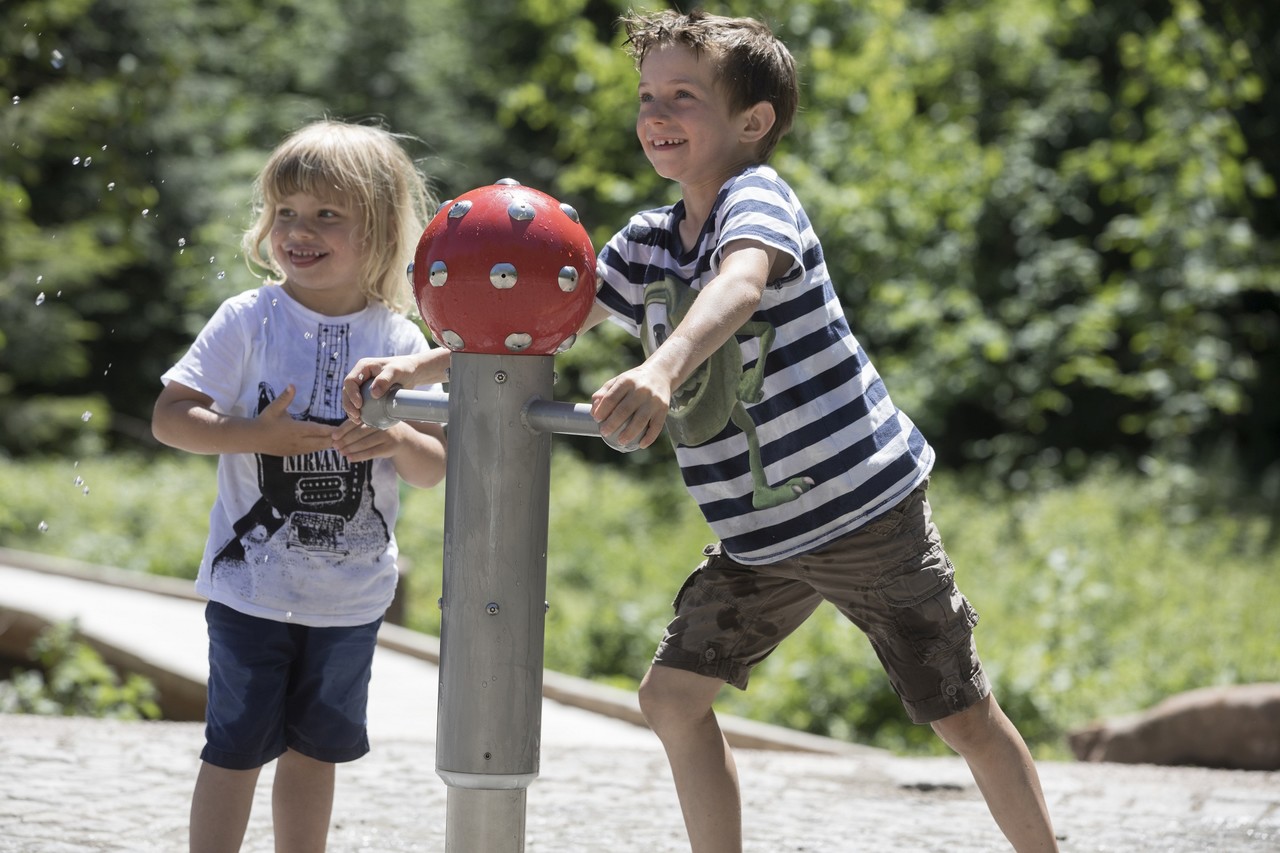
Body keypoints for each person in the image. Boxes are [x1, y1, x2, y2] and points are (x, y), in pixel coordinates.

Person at [342, 10, 1058, 852]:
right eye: (648, 96)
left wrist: (661, 368)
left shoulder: (758, 200)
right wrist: (418, 367)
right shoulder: (647, 243)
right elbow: (539, 326)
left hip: (861, 511)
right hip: (757, 536)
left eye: (683, 96)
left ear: (753, 122)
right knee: (671, 698)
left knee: (960, 714)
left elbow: (740, 285)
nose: (656, 113)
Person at [152, 119, 447, 853]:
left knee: (318, 752)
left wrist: (395, 438)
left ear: (378, 229)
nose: (298, 231)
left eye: (326, 214)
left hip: (352, 597)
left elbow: (433, 467)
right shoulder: (249, 319)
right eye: (285, 211)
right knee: (235, 748)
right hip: (249, 588)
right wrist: (253, 434)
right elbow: (170, 418)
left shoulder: (400, 343)